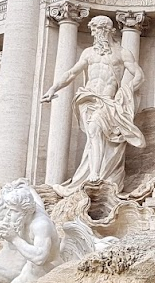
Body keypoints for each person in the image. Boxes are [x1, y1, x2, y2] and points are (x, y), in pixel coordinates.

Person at [41, 16, 144, 192]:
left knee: (96, 130)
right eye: (93, 30)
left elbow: (139, 75)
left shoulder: (122, 53)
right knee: (93, 135)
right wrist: (53, 89)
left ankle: (95, 174)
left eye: (97, 30)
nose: (94, 34)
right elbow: (71, 73)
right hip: (87, 98)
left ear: (107, 30)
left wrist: (125, 92)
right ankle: (93, 173)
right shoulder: (88, 53)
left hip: (107, 100)